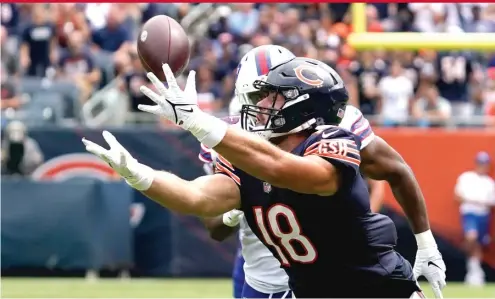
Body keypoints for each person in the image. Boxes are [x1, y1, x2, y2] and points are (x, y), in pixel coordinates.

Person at [82, 58, 446, 298]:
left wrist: (196, 121)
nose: (261, 105)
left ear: (303, 107)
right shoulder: (248, 156)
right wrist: (139, 174)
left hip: (376, 288)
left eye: (273, 97)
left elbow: (285, 170)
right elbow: (197, 198)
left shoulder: (332, 140)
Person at [200, 45, 296, 299]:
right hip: (260, 272)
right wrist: (232, 213)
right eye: (258, 97)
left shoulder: (320, 136)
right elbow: (212, 224)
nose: (267, 107)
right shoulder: (232, 138)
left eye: (278, 95)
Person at [455, 151, 495, 286]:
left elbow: (491, 203)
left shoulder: (490, 183)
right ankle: (473, 269)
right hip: (469, 214)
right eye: (480, 163)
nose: (482, 166)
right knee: (471, 238)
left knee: (478, 244)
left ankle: (475, 272)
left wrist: (477, 202)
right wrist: (475, 201)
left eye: (485, 164)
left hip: (483, 216)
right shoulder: (466, 178)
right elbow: (458, 197)